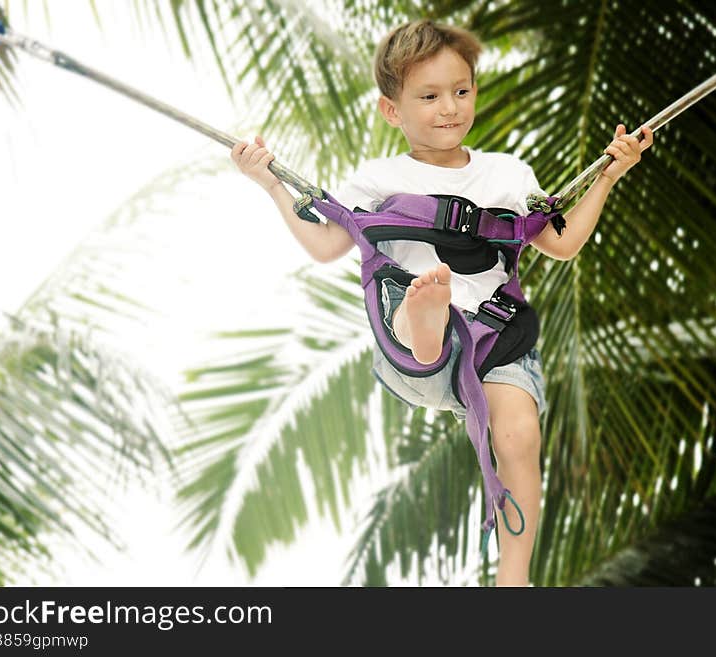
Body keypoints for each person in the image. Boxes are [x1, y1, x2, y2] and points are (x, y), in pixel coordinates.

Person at [231, 19, 653, 586]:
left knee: (520, 436)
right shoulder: (378, 179)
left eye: (461, 91)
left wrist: (609, 173)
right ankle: (429, 320)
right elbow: (328, 244)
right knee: (422, 297)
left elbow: (562, 242)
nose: (449, 108)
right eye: (429, 97)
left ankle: (514, 579)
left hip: (498, 340)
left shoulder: (507, 174)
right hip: (413, 353)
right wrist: (272, 186)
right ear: (391, 110)